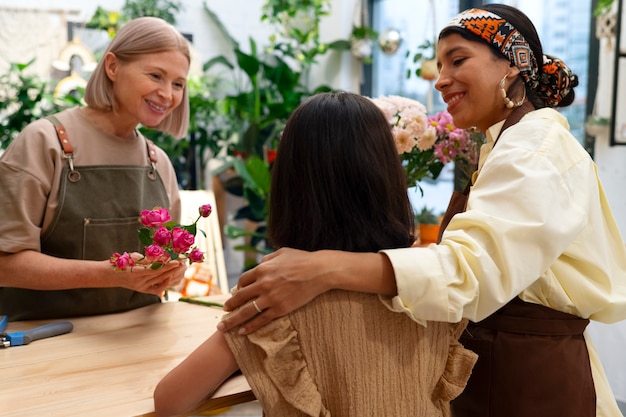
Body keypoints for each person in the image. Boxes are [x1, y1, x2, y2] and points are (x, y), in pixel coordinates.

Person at [218, 5, 626, 417]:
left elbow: (468, 272)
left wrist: (321, 268)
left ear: (514, 65)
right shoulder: (508, 144)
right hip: (497, 367)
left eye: (458, 60)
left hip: (528, 381)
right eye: (439, 65)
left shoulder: (536, 149)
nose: (441, 80)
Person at [153, 92, 477, 417]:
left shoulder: (280, 293)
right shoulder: (430, 281)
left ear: (289, 186)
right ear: (388, 177)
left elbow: (170, 399)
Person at [0, 17, 189, 321]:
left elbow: (171, 260)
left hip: (140, 341)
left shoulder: (158, 162)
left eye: (178, 83)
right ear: (112, 67)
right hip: (44, 345)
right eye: (156, 75)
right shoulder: (44, 142)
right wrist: (112, 274)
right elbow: (4, 266)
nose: (168, 94)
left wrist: (171, 271)